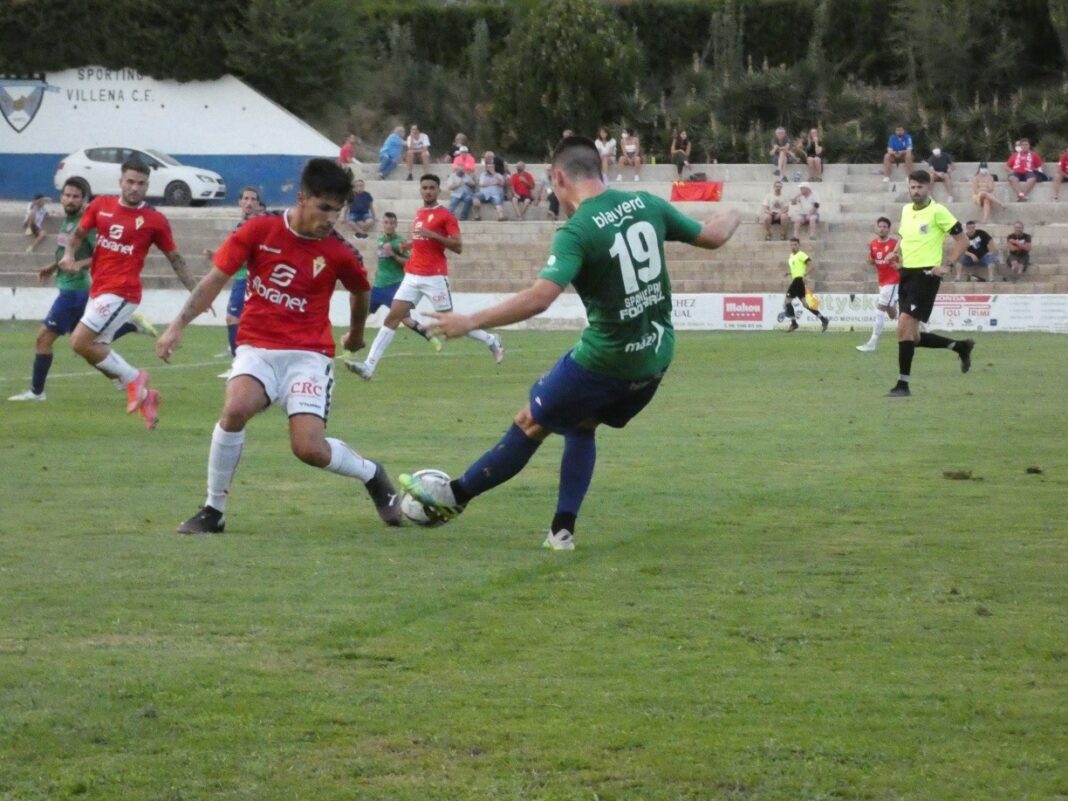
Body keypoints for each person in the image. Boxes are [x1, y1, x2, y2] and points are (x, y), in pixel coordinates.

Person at [399, 135, 741, 550]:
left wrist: (469, 320)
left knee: (530, 421)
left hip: (605, 360)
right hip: (655, 359)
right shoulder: (647, 204)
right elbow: (714, 235)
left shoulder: (577, 231)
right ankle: (562, 531)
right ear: (600, 168)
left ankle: (453, 497)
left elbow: (540, 298)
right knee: (582, 423)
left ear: (559, 178)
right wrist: (734, 211)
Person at [155, 158, 400, 534]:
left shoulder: (339, 252)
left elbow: (360, 291)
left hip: (309, 357)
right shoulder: (259, 229)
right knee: (235, 409)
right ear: (302, 198)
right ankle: (213, 510)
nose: (331, 218)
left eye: (337, 210)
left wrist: (355, 335)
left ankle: (372, 474)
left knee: (309, 449)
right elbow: (215, 279)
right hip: (257, 348)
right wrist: (177, 325)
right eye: (324, 207)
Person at [58, 158, 197, 430]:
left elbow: (175, 258)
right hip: (99, 289)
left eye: (141, 183)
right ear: (121, 181)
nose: (135, 187)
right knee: (92, 350)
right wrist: (68, 255)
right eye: (130, 181)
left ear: (147, 185)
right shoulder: (101, 206)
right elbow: (78, 233)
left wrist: (196, 291)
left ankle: (135, 378)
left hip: (123, 291)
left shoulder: (155, 220)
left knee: (78, 341)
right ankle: (146, 396)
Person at [344, 174, 504, 381]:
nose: (428, 191)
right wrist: (409, 245)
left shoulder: (446, 215)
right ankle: (369, 366)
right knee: (392, 318)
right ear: (420, 190)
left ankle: (491, 340)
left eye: (431, 188)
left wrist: (433, 235)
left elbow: (458, 246)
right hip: (412, 276)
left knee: (449, 323)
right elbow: (422, 239)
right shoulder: (420, 213)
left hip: (434, 277)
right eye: (425, 187)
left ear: (438, 190)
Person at [9, 178, 156, 402]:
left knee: (44, 339)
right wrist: (52, 267)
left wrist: (78, 265)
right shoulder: (69, 222)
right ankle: (128, 333)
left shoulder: (88, 224)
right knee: (86, 343)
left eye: (76, 196)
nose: (70, 200)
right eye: (67, 195)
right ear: (61, 197)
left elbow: (103, 253)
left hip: (75, 291)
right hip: (72, 289)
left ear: (84, 200)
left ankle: (37, 392)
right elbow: (67, 253)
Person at [886, 170, 972, 398]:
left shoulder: (938, 211)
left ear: (929, 188)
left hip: (925, 276)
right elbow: (903, 236)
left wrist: (947, 265)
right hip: (906, 273)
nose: (915, 191)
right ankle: (960, 346)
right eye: (912, 187)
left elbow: (963, 240)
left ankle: (902, 385)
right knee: (912, 337)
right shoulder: (906, 210)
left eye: (920, 187)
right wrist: (895, 252)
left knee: (903, 327)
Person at [205, 186, 262, 379]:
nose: (249, 202)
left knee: (233, 318)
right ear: (239, 202)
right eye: (246, 198)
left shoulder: (257, 226)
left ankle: (239, 366)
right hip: (241, 277)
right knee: (243, 321)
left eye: (253, 199)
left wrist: (226, 260)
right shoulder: (241, 225)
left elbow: (252, 256)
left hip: (249, 278)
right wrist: (217, 255)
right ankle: (246, 363)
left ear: (258, 204)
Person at [371, 211, 443, 350]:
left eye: (392, 223)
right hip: (378, 287)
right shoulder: (380, 240)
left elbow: (409, 263)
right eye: (386, 222)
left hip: (393, 287)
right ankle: (349, 350)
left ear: (396, 225)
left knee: (406, 320)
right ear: (382, 224)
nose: (389, 225)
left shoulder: (400, 242)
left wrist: (393, 254)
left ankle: (430, 337)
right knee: (360, 317)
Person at [856, 216, 900, 352]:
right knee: (891, 313)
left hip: (893, 280)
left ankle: (872, 342)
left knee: (880, 309)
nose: (882, 229)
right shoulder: (873, 244)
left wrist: (897, 259)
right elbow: (871, 260)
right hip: (882, 281)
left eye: (884, 227)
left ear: (889, 229)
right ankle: (912, 321)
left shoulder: (894, 244)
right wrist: (870, 260)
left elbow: (901, 260)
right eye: (880, 226)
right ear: (876, 228)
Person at [781, 237, 830, 332]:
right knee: (805, 305)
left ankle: (794, 324)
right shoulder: (791, 256)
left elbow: (811, 265)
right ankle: (824, 319)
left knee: (787, 302)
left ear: (798, 245)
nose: (793, 246)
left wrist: (806, 273)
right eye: (791, 245)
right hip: (798, 281)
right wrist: (789, 273)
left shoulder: (801, 254)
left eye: (795, 244)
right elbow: (797, 269)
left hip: (798, 280)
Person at [472, 153, 507, 222]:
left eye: (491, 167)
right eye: (488, 167)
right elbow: (481, 184)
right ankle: (477, 216)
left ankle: (501, 216)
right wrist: (493, 183)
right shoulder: (483, 174)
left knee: (497, 202)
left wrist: (493, 173)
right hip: (484, 193)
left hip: (495, 194)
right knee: (475, 197)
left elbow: (502, 183)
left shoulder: (498, 175)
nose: (489, 168)